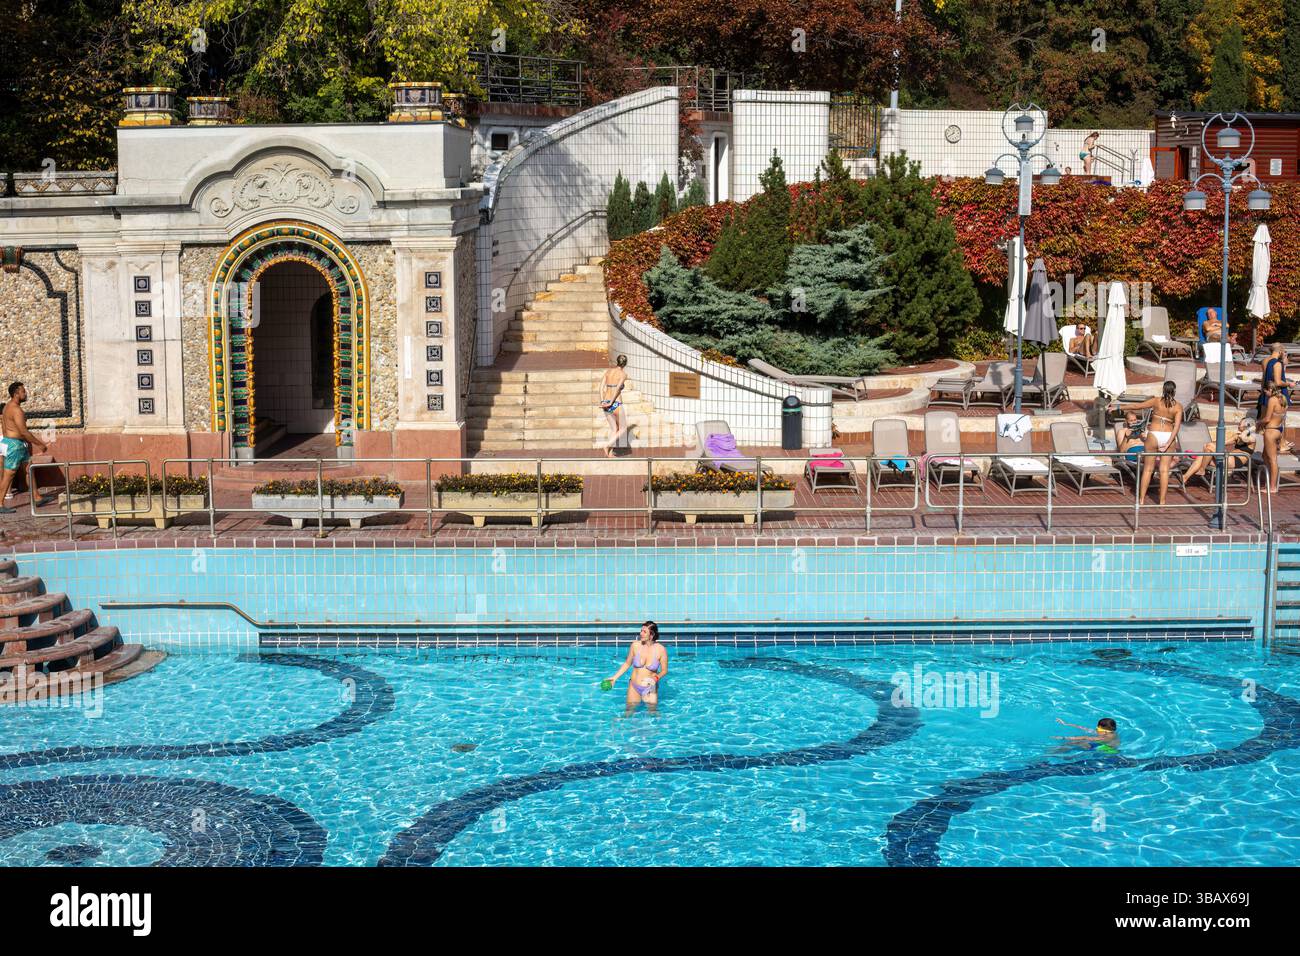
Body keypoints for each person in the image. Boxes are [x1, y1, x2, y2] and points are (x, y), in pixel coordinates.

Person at [1121, 381, 1183, 504]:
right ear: (1174, 391)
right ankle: (1162, 501)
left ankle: (1142, 500)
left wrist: (1118, 407)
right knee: (1164, 470)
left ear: (1163, 390)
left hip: (1154, 434)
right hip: (1168, 435)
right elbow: (1176, 427)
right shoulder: (1178, 407)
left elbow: (1136, 407)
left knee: (1148, 469)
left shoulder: (1156, 401)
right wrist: (1168, 443)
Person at [0, 382, 48, 514]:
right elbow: (24, 432)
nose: (25, 393)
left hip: (13, 444)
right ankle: (0, 503)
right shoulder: (16, 410)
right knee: (8, 475)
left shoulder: (7, 407)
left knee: (29, 469)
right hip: (14, 445)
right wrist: (40, 444)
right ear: (16, 394)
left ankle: (37, 497)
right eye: (23, 391)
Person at [605, 621, 668, 713]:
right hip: (634, 686)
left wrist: (656, 678)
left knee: (653, 713)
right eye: (641, 630)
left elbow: (664, 670)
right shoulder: (635, 645)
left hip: (650, 687)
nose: (640, 633)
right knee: (628, 713)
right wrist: (615, 678)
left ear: (652, 634)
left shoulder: (660, 649)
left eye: (644, 632)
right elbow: (627, 664)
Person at [1181, 419, 1255, 485]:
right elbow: (1222, 443)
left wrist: (1249, 430)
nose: (1238, 425)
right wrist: (1210, 445)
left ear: (1246, 426)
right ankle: (1185, 477)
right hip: (1228, 458)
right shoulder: (1237, 436)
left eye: (1240, 424)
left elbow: (1244, 438)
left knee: (1209, 446)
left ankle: (1202, 469)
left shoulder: (1252, 439)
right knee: (1203, 454)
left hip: (1236, 461)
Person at [1259, 381, 1288, 493]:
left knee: (1272, 460)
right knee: (1265, 456)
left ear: (1269, 390)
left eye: (1265, 391)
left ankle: (1272, 487)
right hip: (1278, 430)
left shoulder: (1272, 400)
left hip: (1270, 431)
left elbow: (1267, 419)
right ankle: (1268, 483)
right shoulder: (1283, 398)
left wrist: (1258, 422)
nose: (1265, 393)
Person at [599, 354, 629, 458]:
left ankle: (610, 453)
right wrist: (611, 402)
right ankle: (606, 446)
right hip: (615, 403)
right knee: (623, 428)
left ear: (617, 361)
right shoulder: (623, 374)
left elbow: (601, 387)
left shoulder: (608, 372)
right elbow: (617, 389)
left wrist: (603, 401)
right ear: (625, 364)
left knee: (614, 429)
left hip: (606, 402)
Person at [1257, 342, 1290, 422]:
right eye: (1283, 351)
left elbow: (1264, 378)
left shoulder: (1265, 361)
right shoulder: (1278, 363)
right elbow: (1278, 382)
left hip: (1266, 391)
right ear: (1280, 351)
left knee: (1264, 418)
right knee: (1276, 421)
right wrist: (1288, 383)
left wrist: (1262, 392)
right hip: (1277, 393)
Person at [1054, 716, 1120, 753]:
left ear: (1104, 731)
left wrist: (1064, 738)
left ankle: (1055, 753)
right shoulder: (1108, 732)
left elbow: (1085, 737)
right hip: (1102, 746)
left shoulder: (1107, 737)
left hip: (1109, 751)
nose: (1096, 730)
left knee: (1075, 742)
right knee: (1078, 742)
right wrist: (1066, 724)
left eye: (1098, 729)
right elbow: (1085, 729)